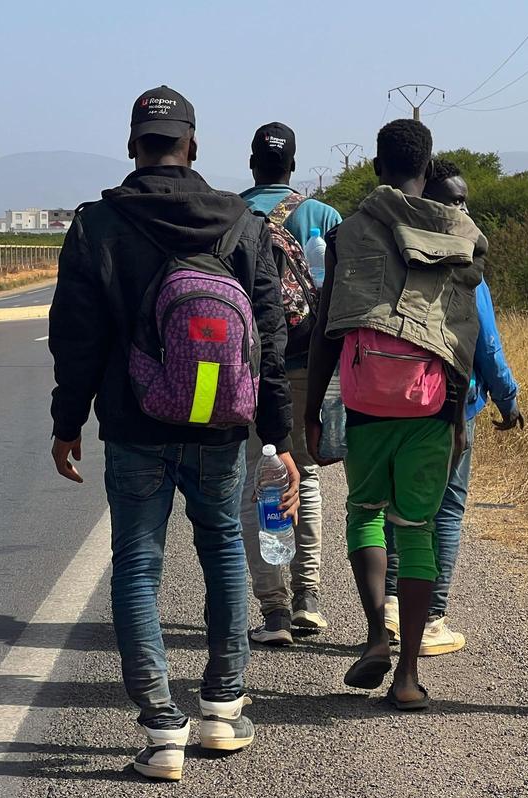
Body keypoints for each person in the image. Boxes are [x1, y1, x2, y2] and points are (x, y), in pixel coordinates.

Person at [48, 86, 301, 780]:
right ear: (193, 146)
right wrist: (276, 434)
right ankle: (222, 706)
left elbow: (75, 335)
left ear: (133, 145)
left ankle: (162, 728)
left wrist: (66, 421)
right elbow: (270, 339)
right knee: (222, 547)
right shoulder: (240, 224)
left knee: (137, 560)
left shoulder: (98, 225)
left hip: (134, 422)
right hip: (222, 426)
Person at [305, 120, 486, 711]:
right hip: (432, 401)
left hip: (365, 401)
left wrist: (312, 410)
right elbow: (465, 331)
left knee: (364, 515)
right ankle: (408, 675)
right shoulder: (462, 234)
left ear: (379, 167)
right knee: (420, 529)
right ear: (429, 167)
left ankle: (375, 635)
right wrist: (457, 413)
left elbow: (330, 326)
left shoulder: (351, 231)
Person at [383, 159, 522, 657]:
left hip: (397, 400)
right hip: (452, 409)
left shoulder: (394, 250)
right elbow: (486, 345)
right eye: (452, 200)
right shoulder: (466, 262)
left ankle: (395, 607)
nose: (462, 209)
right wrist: (508, 399)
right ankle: (433, 615)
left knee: (400, 506)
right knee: (445, 509)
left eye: (465, 200)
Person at [238, 122, 343, 645]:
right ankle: (309, 597)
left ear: (252, 163)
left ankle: (274, 611)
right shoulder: (321, 215)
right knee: (308, 474)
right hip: (308, 365)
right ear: (294, 166)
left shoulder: (232, 213)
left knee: (261, 478)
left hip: (250, 367)